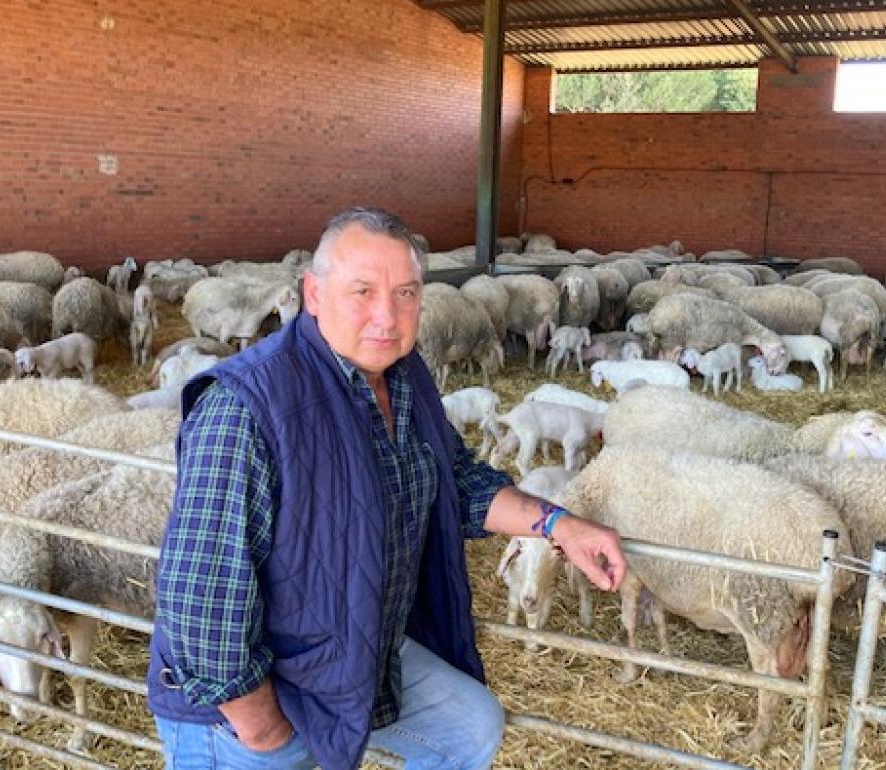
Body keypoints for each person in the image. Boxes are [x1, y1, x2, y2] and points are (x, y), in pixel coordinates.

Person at [147, 206, 627, 770]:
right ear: (315, 293)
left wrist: (557, 524)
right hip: (249, 705)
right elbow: (202, 602)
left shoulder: (404, 379)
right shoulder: (245, 408)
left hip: (348, 654)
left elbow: (459, 481)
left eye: (405, 293)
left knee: (471, 729)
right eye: (362, 291)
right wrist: (265, 731)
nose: (387, 315)